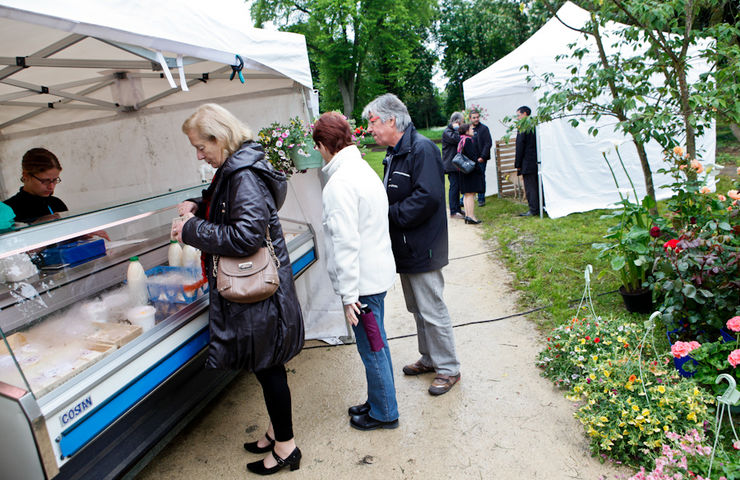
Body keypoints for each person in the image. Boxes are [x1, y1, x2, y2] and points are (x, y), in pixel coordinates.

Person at [172, 103, 304, 476]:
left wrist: (191, 230)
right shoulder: (236, 168)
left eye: (201, 146)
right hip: (258, 294)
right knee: (267, 366)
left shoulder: (242, 174)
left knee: (269, 367)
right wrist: (199, 205)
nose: (199, 154)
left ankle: (286, 448)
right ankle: (275, 431)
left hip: (259, 292)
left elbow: (245, 235)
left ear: (220, 138)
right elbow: (229, 209)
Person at [363, 93, 461, 396]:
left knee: (432, 307)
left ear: (392, 119)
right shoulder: (395, 152)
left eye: (373, 122)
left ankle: (449, 368)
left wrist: (386, 215)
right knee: (417, 307)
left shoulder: (422, 149)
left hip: (423, 246)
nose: (370, 129)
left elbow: (428, 198)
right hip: (405, 245)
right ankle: (430, 357)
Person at [312, 112, 399, 431]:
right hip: (374, 275)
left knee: (373, 348)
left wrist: (349, 296)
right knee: (378, 345)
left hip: (362, 284)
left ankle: (385, 412)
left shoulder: (340, 183)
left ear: (323, 145)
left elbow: (346, 244)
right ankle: (379, 400)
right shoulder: (361, 169)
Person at [4, 148, 68, 223]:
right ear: (26, 175)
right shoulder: (7, 210)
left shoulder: (57, 204)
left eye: (54, 180)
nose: (51, 186)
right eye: (44, 181)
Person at [514, 106, 540, 217]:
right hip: (536, 159)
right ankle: (539, 206)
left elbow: (520, 146)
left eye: (518, 115)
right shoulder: (535, 125)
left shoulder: (523, 127)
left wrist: (518, 164)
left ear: (525, 114)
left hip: (527, 161)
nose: (518, 118)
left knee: (530, 187)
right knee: (537, 184)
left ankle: (533, 209)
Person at [457, 124, 483, 225]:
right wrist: (478, 168)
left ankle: (467, 216)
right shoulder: (468, 140)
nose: (473, 130)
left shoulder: (461, 140)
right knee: (471, 194)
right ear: (466, 131)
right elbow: (472, 156)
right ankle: (471, 216)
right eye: (471, 129)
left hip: (463, 171)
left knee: (466, 194)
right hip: (470, 171)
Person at [441, 112, 465, 219]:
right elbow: (457, 139)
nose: (463, 124)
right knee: (454, 187)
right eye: (462, 122)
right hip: (451, 164)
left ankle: (458, 208)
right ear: (457, 122)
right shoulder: (447, 132)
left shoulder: (452, 131)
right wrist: (456, 129)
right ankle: (453, 211)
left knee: (458, 186)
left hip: (457, 164)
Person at [470, 109, 492, 207]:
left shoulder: (484, 129)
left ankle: (481, 199)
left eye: (477, 117)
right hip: (470, 159)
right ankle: (466, 198)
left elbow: (488, 143)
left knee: (481, 178)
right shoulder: (468, 129)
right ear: (470, 118)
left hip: (481, 159)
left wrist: (483, 157)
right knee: (470, 178)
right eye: (474, 118)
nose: (476, 119)